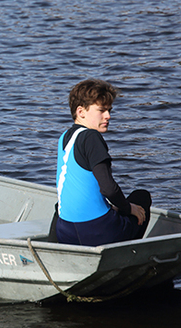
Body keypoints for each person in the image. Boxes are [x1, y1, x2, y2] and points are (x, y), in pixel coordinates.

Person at [55, 79, 152, 246]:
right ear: (81, 112)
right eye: (101, 110)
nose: (108, 116)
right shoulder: (91, 137)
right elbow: (108, 188)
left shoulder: (65, 137)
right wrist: (129, 208)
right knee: (141, 197)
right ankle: (126, 258)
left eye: (109, 110)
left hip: (65, 232)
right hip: (97, 232)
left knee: (60, 205)